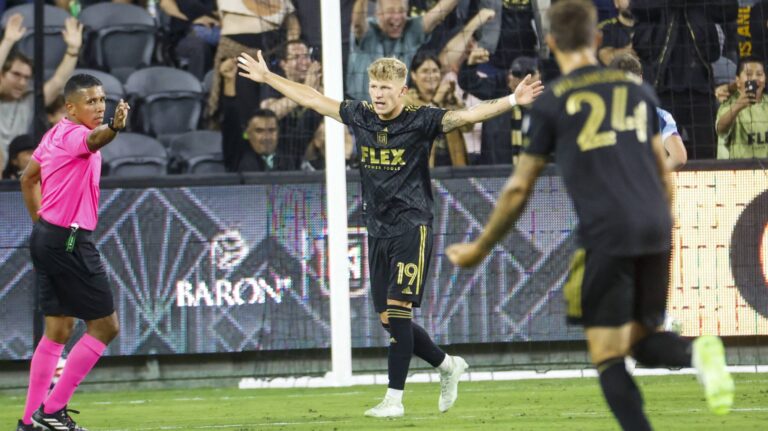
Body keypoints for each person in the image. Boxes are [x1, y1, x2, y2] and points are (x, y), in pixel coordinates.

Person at [445, 2, 733, 430]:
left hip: (607, 230)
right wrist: (659, 219)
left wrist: (479, 247)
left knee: (607, 353)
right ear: (598, 39)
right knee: (643, 340)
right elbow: (662, 170)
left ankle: (691, 363)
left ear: (553, 43)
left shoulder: (553, 103)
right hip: (655, 225)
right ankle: (698, 352)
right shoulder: (638, 93)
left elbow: (520, 187)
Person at [236, 51, 542, 417]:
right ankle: (447, 366)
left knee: (398, 311)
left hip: (412, 226)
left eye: (385, 88)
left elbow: (466, 115)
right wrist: (269, 78)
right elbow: (314, 99)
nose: (378, 94)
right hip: (377, 230)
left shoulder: (421, 120)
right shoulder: (361, 116)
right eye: (373, 87)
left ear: (403, 91)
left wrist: (512, 99)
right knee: (389, 319)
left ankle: (394, 399)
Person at [16, 74, 129, 431]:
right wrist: (113, 127)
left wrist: (42, 224)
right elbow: (96, 139)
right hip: (69, 241)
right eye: (91, 102)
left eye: (102, 100)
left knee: (58, 331)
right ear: (70, 107)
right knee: (106, 327)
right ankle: (52, 412)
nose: (99, 107)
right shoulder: (78, 136)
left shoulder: (53, 135)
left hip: (49, 237)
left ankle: (29, 423)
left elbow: (28, 179)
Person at [0, 13, 83, 170]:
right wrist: (8, 41)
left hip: (15, 169)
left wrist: (73, 49)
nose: (22, 82)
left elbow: (58, 82)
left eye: (26, 77)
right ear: (2, 75)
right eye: (16, 75)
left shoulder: (28, 101)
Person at [346, 0, 460, 101]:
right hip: (360, 111)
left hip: (394, 111)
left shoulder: (410, 30)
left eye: (401, 11)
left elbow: (439, 13)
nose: (397, 17)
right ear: (378, 13)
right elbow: (357, 24)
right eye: (390, 11)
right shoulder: (367, 31)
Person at [459, 52, 540, 165]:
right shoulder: (498, 88)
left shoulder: (544, 98)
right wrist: (470, 65)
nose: (516, 78)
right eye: (513, 74)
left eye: (523, 75)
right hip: (496, 167)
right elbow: (469, 82)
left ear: (536, 76)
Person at [609, 53, 687, 170]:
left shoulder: (596, 114)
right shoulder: (659, 115)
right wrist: (650, 178)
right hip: (642, 185)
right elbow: (678, 157)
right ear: (640, 78)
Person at [260, 40, 324, 170]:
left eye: (306, 56)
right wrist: (304, 91)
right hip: (282, 148)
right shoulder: (274, 82)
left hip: (311, 145)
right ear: (283, 64)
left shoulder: (320, 81)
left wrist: (318, 89)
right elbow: (267, 114)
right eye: (296, 57)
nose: (304, 62)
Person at [715, 56, 768, 159]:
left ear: (765, 80)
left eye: (759, 74)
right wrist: (737, 107)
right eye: (748, 74)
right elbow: (721, 129)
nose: (754, 78)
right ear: (738, 81)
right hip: (738, 171)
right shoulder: (728, 103)